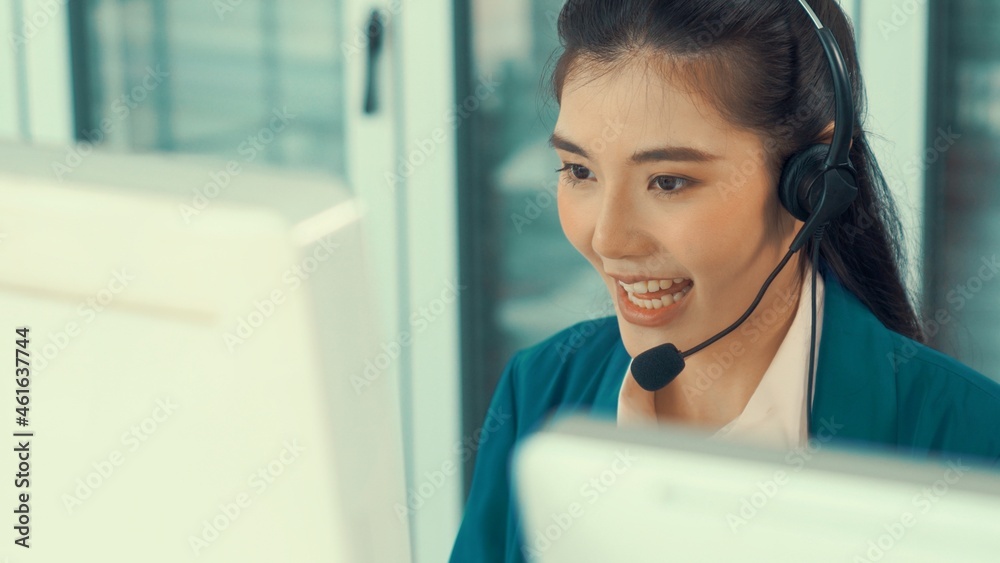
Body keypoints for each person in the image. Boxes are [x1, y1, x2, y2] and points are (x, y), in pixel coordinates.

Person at [450, 1, 1000, 561]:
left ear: (813, 182)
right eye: (580, 171)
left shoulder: (972, 442)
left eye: (667, 181)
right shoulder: (539, 392)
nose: (609, 239)